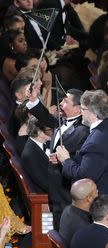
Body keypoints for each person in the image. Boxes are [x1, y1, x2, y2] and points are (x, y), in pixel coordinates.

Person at [55, 90, 108, 233]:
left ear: (94, 113)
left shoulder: (96, 141)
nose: (81, 113)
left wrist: (66, 160)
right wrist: (74, 156)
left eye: (82, 109)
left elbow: (84, 176)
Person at [26, 87, 89, 229]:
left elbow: (80, 156)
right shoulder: (61, 120)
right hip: (55, 185)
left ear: (78, 109)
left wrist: (63, 159)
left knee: (67, 224)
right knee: (58, 222)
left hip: (66, 185)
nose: (61, 103)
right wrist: (34, 100)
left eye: (65, 101)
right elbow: (45, 117)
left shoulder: (83, 130)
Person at [59, 178, 98, 244]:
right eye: (96, 192)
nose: (98, 194)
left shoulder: (67, 210)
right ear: (89, 198)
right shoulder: (84, 228)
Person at [20, 116, 52, 193]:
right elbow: (46, 184)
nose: (55, 131)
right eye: (50, 129)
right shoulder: (29, 155)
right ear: (39, 133)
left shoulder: (47, 142)